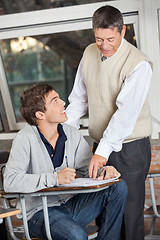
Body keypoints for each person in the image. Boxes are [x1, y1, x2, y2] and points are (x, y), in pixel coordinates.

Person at [66, 5, 153, 240]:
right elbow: (77, 101)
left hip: (130, 149)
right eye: (99, 39)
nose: (104, 46)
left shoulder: (138, 64)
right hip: (100, 147)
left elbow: (124, 116)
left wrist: (101, 153)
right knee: (103, 212)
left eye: (110, 39)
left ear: (123, 31)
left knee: (127, 214)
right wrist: (63, 134)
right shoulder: (88, 53)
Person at [4, 83, 127, 240]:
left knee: (117, 187)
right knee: (76, 235)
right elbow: (10, 181)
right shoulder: (25, 138)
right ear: (40, 114)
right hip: (40, 213)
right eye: (55, 100)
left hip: (72, 206)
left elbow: (86, 169)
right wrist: (54, 178)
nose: (63, 103)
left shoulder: (71, 133)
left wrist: (104, 172)